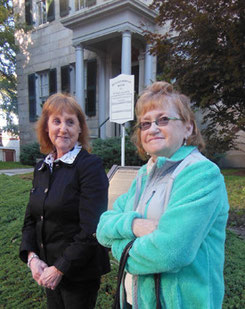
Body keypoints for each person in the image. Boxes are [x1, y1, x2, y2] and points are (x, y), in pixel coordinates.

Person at [96, 81, 229, 309]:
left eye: (164, 119)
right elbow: (102, 228)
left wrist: (119, 250)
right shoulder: (143, 175)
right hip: (133, 301)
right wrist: (135, 225)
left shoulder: (201, 173)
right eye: (145, 124)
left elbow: (170, 252)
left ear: (188, 128)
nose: (153, 129)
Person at [19, 93, 110, 309]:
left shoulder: (89, 166)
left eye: (70, 122)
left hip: (79, 275)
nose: (63, 128)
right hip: (47, 269)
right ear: (46, 128)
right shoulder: (42, 166)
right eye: (56, 121)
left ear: (80, 129)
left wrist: (60, 268)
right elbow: (31, 219)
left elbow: (91, 228)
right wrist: (33, 259)